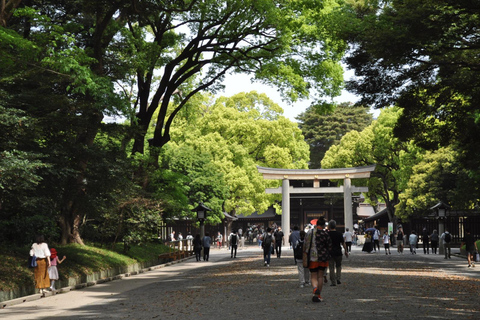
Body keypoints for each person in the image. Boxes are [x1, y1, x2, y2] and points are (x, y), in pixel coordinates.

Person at [304, 216, 332, 303]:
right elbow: (329, 246)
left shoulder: (310, 232)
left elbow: (305, 244)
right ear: (323, 225)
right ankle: (318, 295)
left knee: (313, 275)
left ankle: (315, 288)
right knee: (320, 276)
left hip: (312, 257)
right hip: (323, 257)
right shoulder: (325, 234)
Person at [327, 220, 348, 286]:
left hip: (330, 252)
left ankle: (333, 281)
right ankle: (338, 278)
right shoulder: (339, 234)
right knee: (338, 266)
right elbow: (343, 243)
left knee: (331, 267)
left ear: (329, 226)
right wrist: (346, 251)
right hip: (338, 252)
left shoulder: (327, 234)